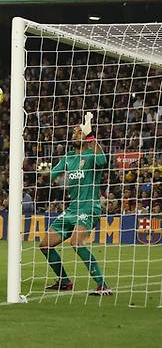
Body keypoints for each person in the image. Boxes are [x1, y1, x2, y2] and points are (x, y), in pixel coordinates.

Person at [39, 113, 112, 295]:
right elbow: (51, 176)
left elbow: (103, 161)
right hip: (72, 210)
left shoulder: (91, 154)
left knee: (76, 242)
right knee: (45, 245)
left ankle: (102, 285)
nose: (74, 135)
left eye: (79, 132)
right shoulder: (68, 157)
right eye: (74, 132)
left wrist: (91, 135)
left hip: (89, 207)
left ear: (86, 137)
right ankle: (64, 281)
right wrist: (39, 170)